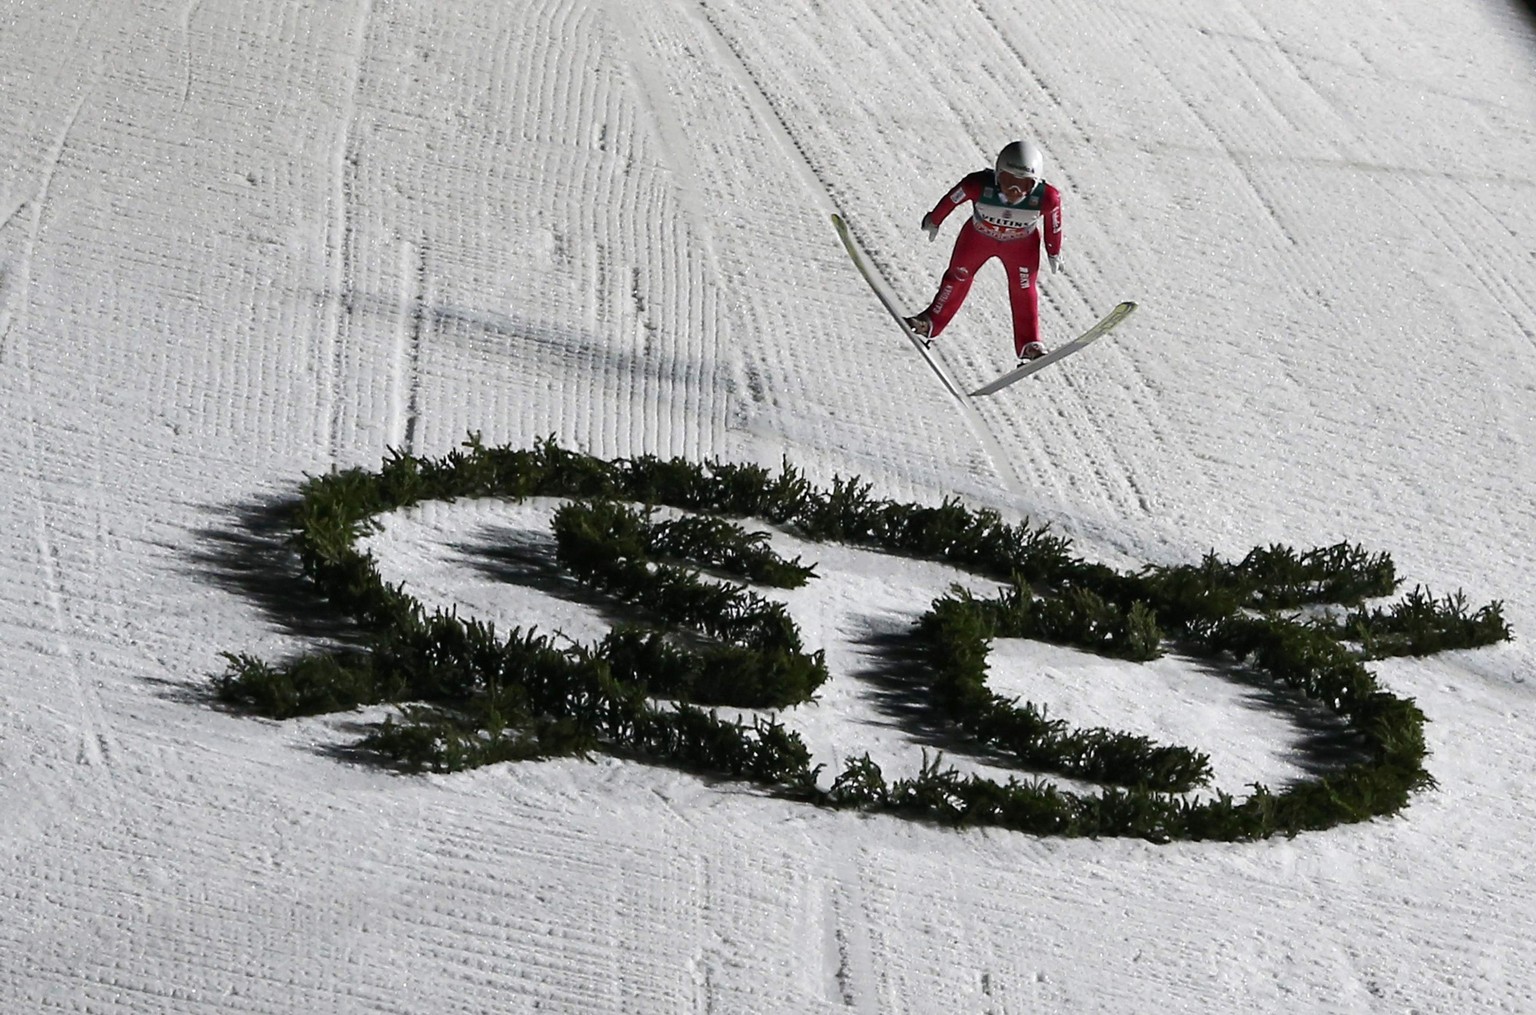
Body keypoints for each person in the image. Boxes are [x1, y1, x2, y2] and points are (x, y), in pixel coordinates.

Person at [905, 140, 1063, 364]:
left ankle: (1030, 343)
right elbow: (953, 199)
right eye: (1009, 182)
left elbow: (1054, 225)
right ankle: (930, 321)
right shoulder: (978, 185)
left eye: (1024, 185)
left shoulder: (1047, 197)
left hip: (1020, 246)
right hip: (979, 238)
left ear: (1036, 183)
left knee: (1024, 289)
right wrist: (935, 219)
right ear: (997, 175)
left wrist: (1053, 251)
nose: (1014, 192)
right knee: (958, 276)